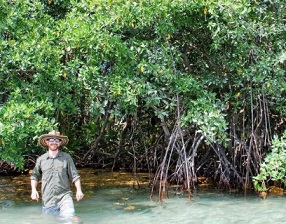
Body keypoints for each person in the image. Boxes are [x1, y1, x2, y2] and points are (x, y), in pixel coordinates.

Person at [30, 130, 84, 216]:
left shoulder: (66, 157)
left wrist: (79, 190)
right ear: (47, 142)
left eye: (57, 140)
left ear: (60, 143)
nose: (54, 142)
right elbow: (35, 176)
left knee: (70, 218)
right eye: (51, 140)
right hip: (48, 200)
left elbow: (75, 176)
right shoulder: (41, 159)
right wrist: (33, 190)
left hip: (65, 197)